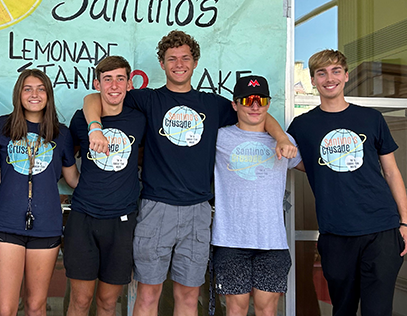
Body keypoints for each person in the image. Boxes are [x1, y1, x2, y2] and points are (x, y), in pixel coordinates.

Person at [83, 30, 296, 316]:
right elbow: (94, 99)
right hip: (156, 207)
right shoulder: (147, 99)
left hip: (197, 211)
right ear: (162, 64)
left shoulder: (214, 104)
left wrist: (281, 138)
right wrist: (95, 127)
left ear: (195, 62)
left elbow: (256, 111)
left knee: (188, 294)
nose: (179, 63)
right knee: (148, 292)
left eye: (185, 58)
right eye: (172, 58)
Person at [287, 49, 407, 316]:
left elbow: (391, 172)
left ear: (345, 76)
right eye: (321, 73)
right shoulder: (302, 126)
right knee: (342, 309)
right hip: (336, 234)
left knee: (377, 310)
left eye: (335, 71)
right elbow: (288, 157)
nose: (328, 78)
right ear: (312, 80)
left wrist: (406, 222)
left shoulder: (371, 119)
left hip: (381, 229)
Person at [0, 69, 79, 316]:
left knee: (36, 305)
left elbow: (73, 180)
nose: (34, 94)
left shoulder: (61, 133)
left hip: (46, 226)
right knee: (5, 309)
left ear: (48, 95)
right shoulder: (2, 127)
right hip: (8, 223)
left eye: (41, 89)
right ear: (18, 93)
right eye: (27, 88)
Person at [210, 75, 302, 316]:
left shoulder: (286, 142)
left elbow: (319, 168)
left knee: (267, 310)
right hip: (231, 240)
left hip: (272, 241)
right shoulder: (220, 138)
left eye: (261, 100)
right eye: (247, 99)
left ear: (268, 104)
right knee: (235, 310)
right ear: (235, 104)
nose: (254, 105)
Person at [65, 56, 145, 316]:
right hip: (83, 217)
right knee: (80, 301)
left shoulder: (139, 119)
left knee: (108, 303)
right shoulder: (81, 120)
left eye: (120, 78)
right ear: (97, 83)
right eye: (107, 79)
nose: (114, 85)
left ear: (129, 84)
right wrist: (77, 182)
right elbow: (67, 157)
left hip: (121, 220)